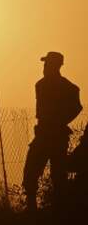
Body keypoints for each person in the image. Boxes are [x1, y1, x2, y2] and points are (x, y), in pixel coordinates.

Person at [23, 52, 82, 211]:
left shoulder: (66, 87)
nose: (44, 67)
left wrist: (60, 120)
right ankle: (32, 209)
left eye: (47, 64)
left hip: (55, 135)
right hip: (43, 134)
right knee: (31, 170)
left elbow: (77, 107)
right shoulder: (41, 85)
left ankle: (59, 210)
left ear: (55, 66)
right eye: (45, 64)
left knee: (58, 174)